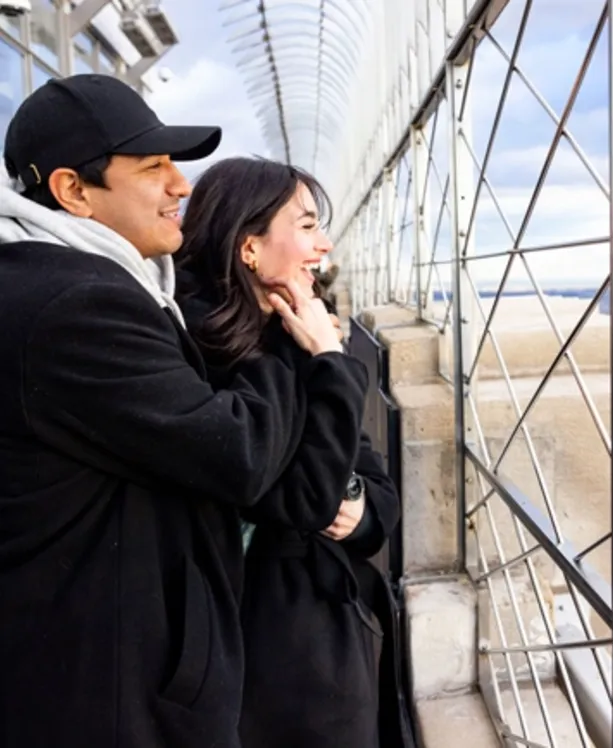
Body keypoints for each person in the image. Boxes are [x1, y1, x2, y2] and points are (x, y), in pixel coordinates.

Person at [0, 75, 367, 748]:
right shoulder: (74, 306)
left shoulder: (97, 287)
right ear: (73, 191)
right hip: (107, 691)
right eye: (153, 167)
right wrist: (306, 352)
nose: (181, 186)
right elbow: (239, 458)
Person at [176, 156, 415, 748]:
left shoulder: (295, 330)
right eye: (307, 226)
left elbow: (374, 485)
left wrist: (358, 507)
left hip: (327, 625)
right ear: (249, 247)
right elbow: (305, 498)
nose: (325, 244)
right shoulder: (199, 351)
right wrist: (331, 365)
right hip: (267, 650)